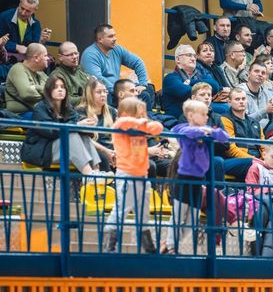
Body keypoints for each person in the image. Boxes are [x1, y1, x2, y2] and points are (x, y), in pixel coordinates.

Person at [103, 98, 164, 253]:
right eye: (139, 114)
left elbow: (158, 128)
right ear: (127, 113)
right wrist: (142, 124)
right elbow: (123, 122)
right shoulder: (120, 125)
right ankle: (109, 245)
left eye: (144, 114)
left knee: (143, 213)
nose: (143, 117)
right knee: (121, 210)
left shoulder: (140, 127)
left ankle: (148, 247)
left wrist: (142, 123)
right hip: (127, 175)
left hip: (142, 176)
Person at [170, 100, 229, 253]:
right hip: (184, 178)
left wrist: (208, 131)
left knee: (192, 218)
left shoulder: (206, 130)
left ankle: (173, 243)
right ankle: (171, 245)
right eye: (203, 114)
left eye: (207, 114)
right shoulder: (183, 128)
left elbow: (224, 136)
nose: (206, 117)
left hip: (199, 179)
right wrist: (203, 131)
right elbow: (180, 131)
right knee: (179, 214)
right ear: (190, 116)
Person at [20, 75, 103, 174]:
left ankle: (96, 172)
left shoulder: (67, 107)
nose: (60, 90)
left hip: (59, 148)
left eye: (63, 87)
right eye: (55, 87)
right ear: (48, 91)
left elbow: (76, 119)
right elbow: (51, 132)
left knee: (83, 136)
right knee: (71, 136)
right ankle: (89, 174)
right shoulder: (40, 109)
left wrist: (88, 123)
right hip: (41, 151)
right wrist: (77, 125)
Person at [80, 24, 152, 109]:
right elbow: (98, 79)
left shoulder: (117, 49)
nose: (115, 39)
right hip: (103, 92)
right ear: (100, 39)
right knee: (107, 96)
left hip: (118, 91)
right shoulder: (90, 54)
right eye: (110, 36)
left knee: (144, 95)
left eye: (114, 35)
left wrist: (142, 84)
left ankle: (145, 117)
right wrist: (120, 91)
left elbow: (138, 62)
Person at [162, 44, 219, 118]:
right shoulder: (170, 78)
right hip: (179, 121)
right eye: (189, 55)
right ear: (178, 59)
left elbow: (215, 86)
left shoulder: (201, 75)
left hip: (201, 118)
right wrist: (203, 88)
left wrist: (190, 82)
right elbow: (186, 92)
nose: (193, 59)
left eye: (194, 56)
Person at [221, 87, 264, 181]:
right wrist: (254, 160)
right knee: (252, 164)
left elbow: (264, 146)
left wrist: (266, 160)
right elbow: (230, 149)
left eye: (243, 99)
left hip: (256, 160)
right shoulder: (225, 120)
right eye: (237, 99)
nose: (241, 101)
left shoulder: (255, 123)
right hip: (234, 161)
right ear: (229, 102)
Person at [77, 77, 117, 172]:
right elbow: (84, 140)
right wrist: (106, 151)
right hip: (95, 151)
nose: (103, 95)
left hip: (112, 151)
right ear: (90, 94)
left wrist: (116, 152)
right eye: (99, 92)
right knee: (103, 158)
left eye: (105, 92)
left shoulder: (112, 111)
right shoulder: (81, 112)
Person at [5, 42, 48, 116]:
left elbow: (52, 88)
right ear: (36, 58)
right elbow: (27, 94)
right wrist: (47, 95)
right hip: (20, 115)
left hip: (38, 112)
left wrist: (35, 87)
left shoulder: (40, 72)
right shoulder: (18, 69)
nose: (48, 58)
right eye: (45, 55)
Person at [238, 61, 273, 128]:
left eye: (263, 73)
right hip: (248, 130)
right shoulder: (239, 93)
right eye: (256, 71)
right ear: (248, 73)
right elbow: (243, 120)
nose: (260, 74)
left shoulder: (266, 93)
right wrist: (265, 110)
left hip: (266, 130)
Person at [50, 41, 90, 107]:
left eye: (76, 53)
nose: (75, 57)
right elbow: (64, 100)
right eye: (70, 55)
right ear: (60, 57)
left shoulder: (81, 72)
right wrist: (88, 98)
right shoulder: (57, 76)